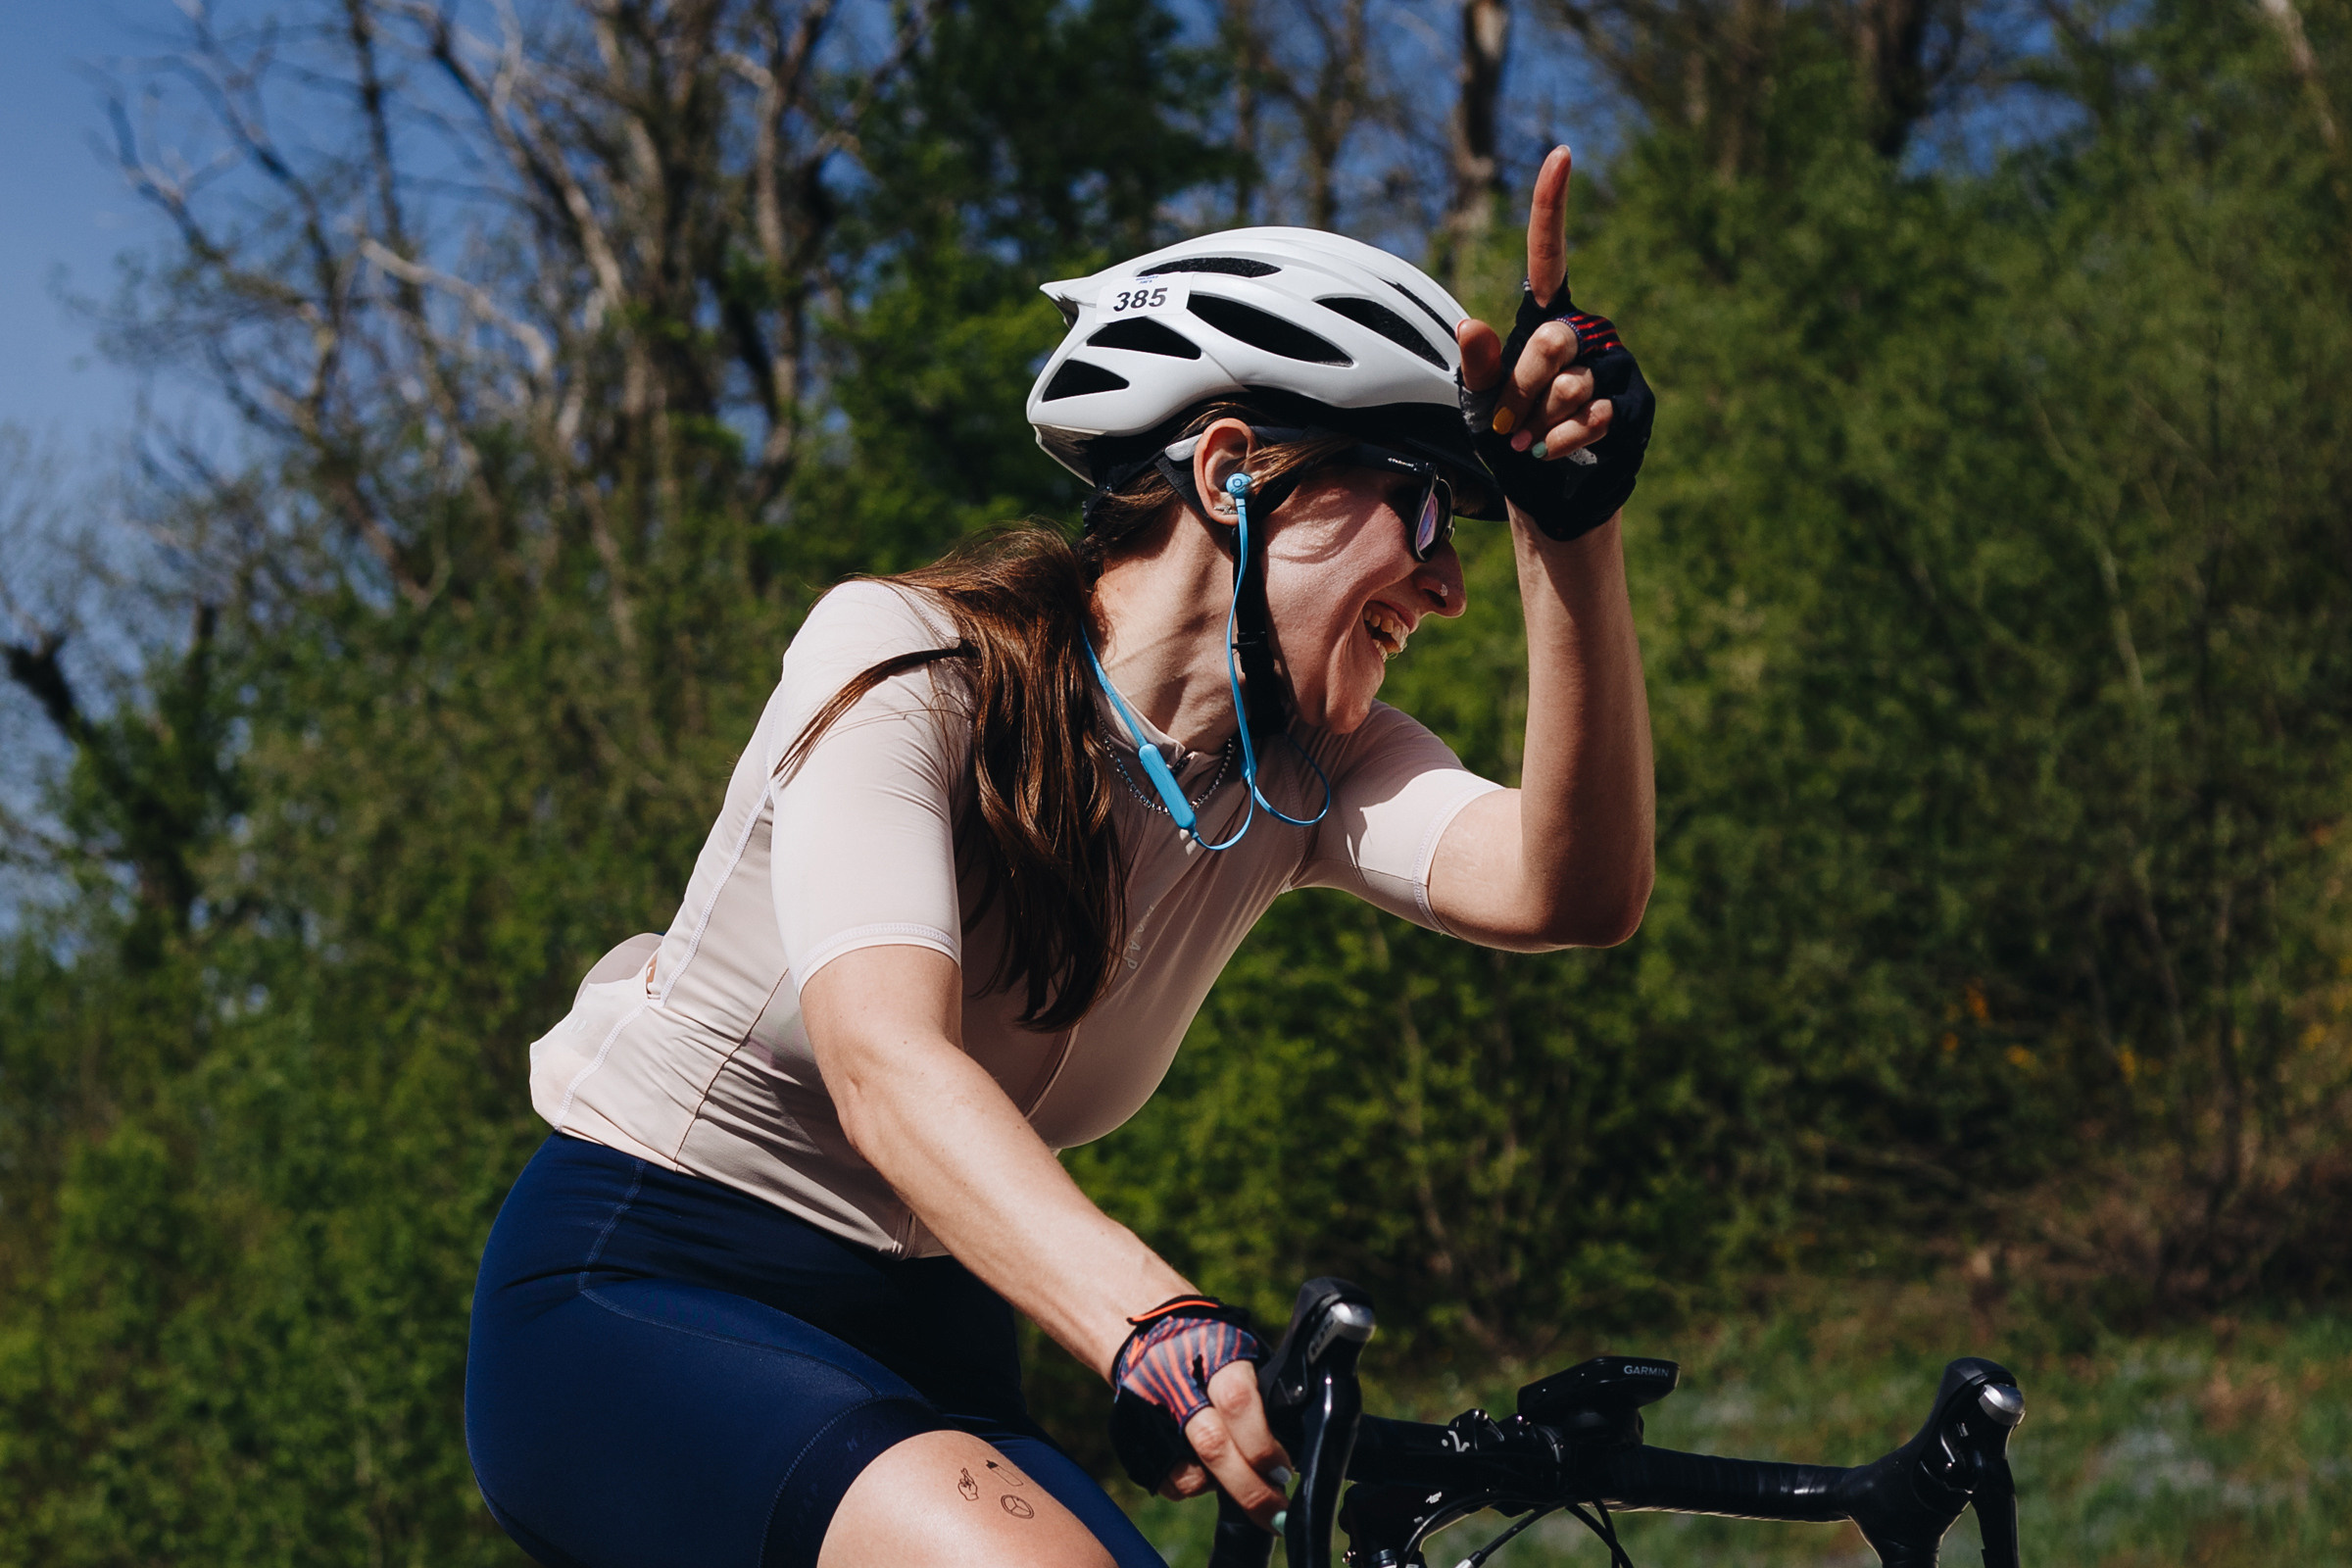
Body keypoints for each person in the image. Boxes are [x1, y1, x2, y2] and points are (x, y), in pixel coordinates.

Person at [464, 146, 1655, 1568]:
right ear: (1231, 474)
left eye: (1475, 525)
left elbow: (1567, 888)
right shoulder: (911, 664)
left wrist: (1569, 538)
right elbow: (885, 1066)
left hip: (941, 1330)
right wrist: (1153, 1324)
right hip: (654, 1281)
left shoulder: (1308, 771)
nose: (1450, 583)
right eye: (1419, 507)